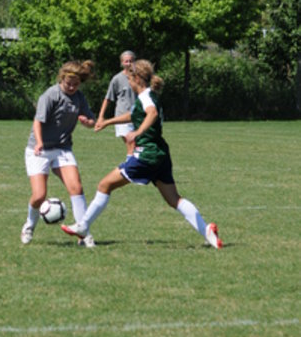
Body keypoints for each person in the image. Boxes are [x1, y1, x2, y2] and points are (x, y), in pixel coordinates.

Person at [62, 59, 223, 249]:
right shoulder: (149, 95)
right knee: (174, 199)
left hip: (147, 154)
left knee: (105, 184)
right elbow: (134, 115)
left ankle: (83, 226)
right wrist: (107, 122)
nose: (129, 83)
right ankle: (207, 231)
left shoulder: (146, 97)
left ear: (137, 79)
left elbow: (151, 114)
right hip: (160, 154)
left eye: (130, 79)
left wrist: (138, 132)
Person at [21, 59, 97, 248]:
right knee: (39, 195)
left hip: (62, 148)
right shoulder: (50, 95)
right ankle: (29, 226)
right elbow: (37, 122)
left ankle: (83, 233)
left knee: (76, 188)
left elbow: (92, 120)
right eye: (68, 83)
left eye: (75, 84)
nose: (72, 87)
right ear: (61, 79)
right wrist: (39, 142)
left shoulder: (79, 97)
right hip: (39, 149)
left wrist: (88, 123)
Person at [96, 50, 137, 154]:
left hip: (137, 116)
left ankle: (132, 163)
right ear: (122, 63)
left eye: (131, 61)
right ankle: (130, 163)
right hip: (122, 117)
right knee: (131, 145)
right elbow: (108, 98)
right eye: (126, 61)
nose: (129, 64)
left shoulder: (140, 78)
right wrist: (101, 116)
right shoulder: (117, 79)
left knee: (137, 147)